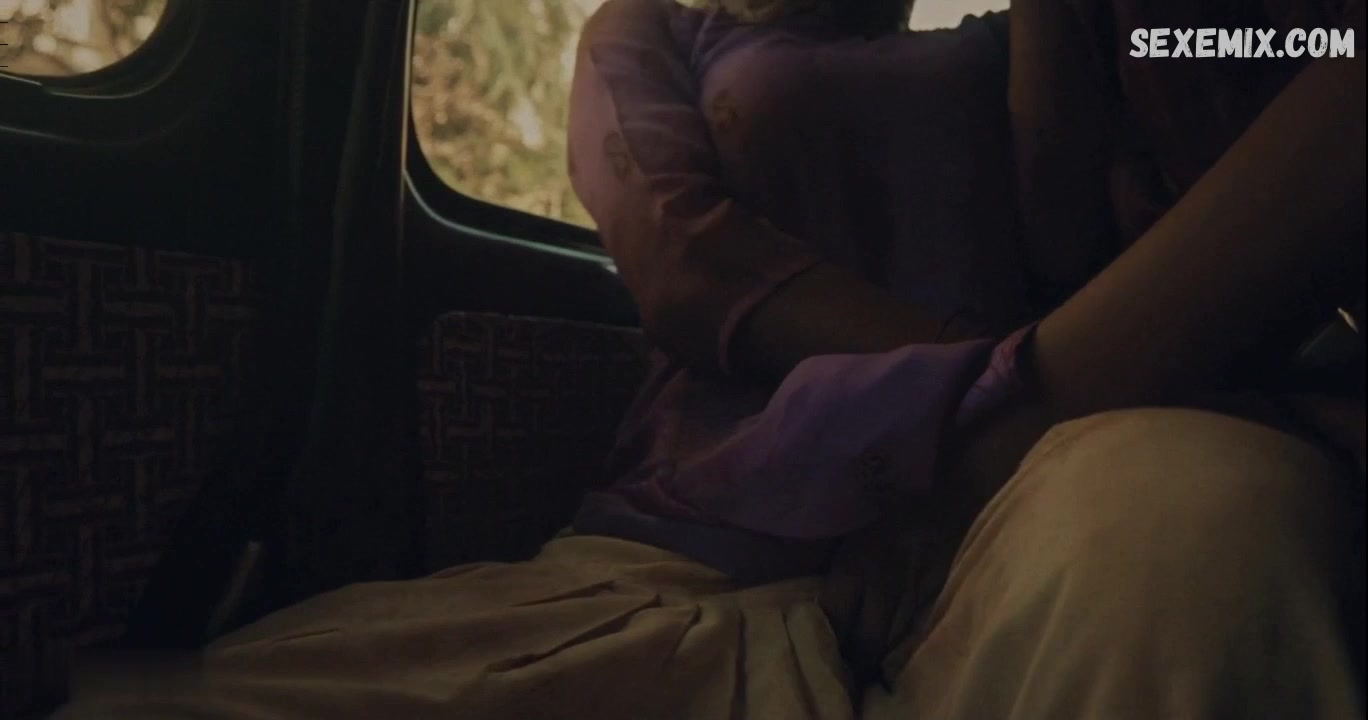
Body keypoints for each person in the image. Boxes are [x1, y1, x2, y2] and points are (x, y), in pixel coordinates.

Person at [52, 0, 1364, 718]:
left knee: (1201, 525)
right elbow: (685, 266)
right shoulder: (653, 31)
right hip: (719, 520)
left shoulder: (1001, 43)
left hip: (1005, 512)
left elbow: (1064, 229)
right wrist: (981, 394)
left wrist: (1050, 40)